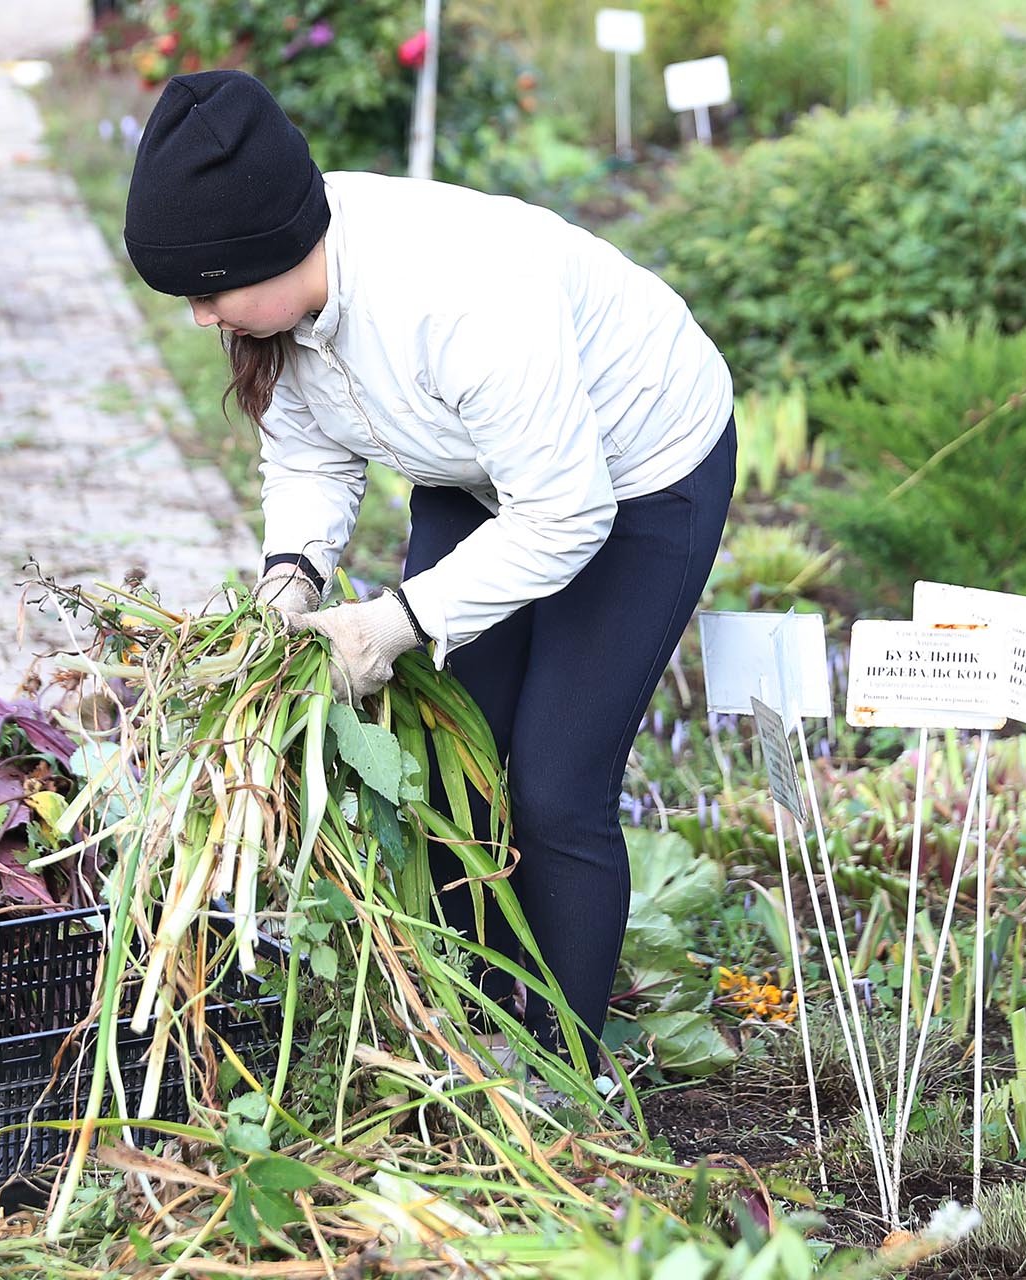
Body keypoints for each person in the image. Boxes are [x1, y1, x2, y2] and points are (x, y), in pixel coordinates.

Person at [123, 70, 737, 1079]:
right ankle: (475, 1025)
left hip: (633, 480)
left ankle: (564, 1070)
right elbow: (311, 451)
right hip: (471, 462)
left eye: (209, 292)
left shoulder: (460, 297)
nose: (201, 318)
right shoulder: (281, 303)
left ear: (276, 249)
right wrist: (293, 579)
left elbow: (565, 509)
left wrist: (394, 621)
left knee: (553, 786)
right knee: (454, 761)